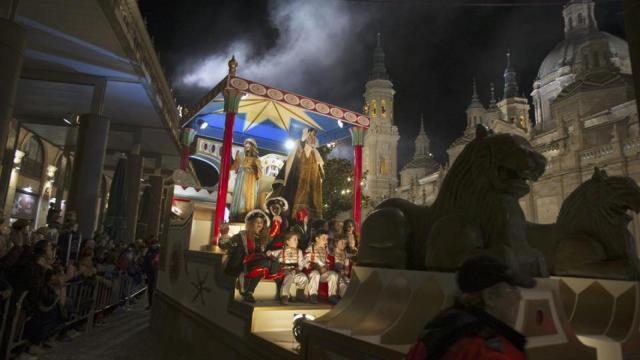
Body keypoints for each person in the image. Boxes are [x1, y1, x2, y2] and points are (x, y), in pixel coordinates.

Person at [406, 255, 534, 360]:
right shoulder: (489, 352)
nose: (519, 297)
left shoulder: (437, 332)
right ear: (490, 298)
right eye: (512, 289)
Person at [273, 128, 324, 219]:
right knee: (298, 198)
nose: (312, 138)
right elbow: (297, 154)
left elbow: (320, 168)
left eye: (314, 136)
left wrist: (320, 175)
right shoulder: (301, 147)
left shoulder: (315, 152)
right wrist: (302, 141)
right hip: (300, 180)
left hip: (312, 182)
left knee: (312, 201)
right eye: (311, 135)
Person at [229, 210, 276, 303]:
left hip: (259, 263)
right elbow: (229, 243)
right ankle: (248, 291)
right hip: (245, 262)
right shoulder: (242, 235)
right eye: (256, 222)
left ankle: (249, 292)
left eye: (261, 222)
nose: (259, 224)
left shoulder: (264, 238)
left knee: (266, 264)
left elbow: (268, 250)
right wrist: (224, 238)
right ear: (251, 223)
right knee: (264, 264)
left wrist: (269, 253)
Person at [266, 232, 307, 305]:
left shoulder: (299, 252)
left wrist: (298, 269)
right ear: (287, 242)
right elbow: (270, 253)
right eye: (295, 240)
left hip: (294, 272)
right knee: (289, 275)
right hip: (283, 272)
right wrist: (269, 253)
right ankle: (284, 295)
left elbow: (301, 264)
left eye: (297, 240)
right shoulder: (280, 251)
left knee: (303, 277)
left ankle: (300, 294)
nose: (297, 241)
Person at [304, 229, 339, 304]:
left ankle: (332, 295)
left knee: (333, 275)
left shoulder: (326, 250)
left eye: (327, 239)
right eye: (324, 239)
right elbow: (306, 263)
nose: (326, 241)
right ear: (317, 239)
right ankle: (313, 295)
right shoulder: (310, 249)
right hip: (313, 272)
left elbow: (329, 262)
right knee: (315, 274)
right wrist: (317, 267)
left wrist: (326, 267)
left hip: (323, 272)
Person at [230, 138, 262, 221]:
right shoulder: (240, 154)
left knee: (248, 197)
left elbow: (259, 172)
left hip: (251, 179)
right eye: (246, 143)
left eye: (249, 144)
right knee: (240, 195)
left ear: (253, 146)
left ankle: (247, 214)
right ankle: (237, 215)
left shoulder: (256, 158)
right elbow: (235, 166)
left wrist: (254, 170)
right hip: (241, 177)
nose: (247, 145)